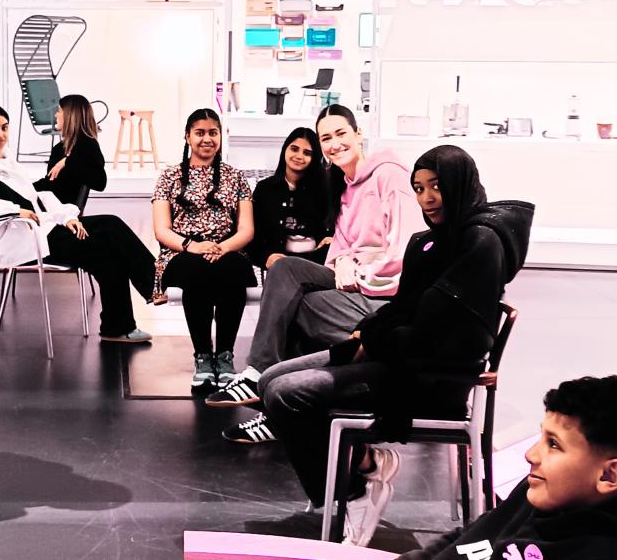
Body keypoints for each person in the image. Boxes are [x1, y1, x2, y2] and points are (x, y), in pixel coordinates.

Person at [260, 145, 532, 547]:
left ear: (459, 184)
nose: (427, 198)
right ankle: (368, 464)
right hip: (399, 357)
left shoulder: (481, 242)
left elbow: (440, 333)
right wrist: (365, 334)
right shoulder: (431, 241)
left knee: (287, 393)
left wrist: (372, 339)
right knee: (269, 380)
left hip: (428, 379)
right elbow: (405, 308)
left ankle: (357, 490)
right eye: (418, 189)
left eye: (436, 186)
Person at [207, 105, 422, 446]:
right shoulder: (344, 185)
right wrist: (343, 262)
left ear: (358, 134)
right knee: (284, 270)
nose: (334, 144)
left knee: (294, 302)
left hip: (383, 295)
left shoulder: (389, 176)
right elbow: (341, 246)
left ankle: (272, 401)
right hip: (352, 281)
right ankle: (268, 388)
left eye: (341, 134)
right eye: (326, 138)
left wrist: (358, 271)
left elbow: (405, 254)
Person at [396, 375, 617, 560]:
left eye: (553, 444)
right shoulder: (545, 490)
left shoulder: (602, 551)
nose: (531, 455)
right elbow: (471, 540)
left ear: (608, 475)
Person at [0, 103, 155, 342]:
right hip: (22, 240)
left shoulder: (8, 160)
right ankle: (155, 285)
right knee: (110, 227)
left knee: (108, 252)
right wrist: (16, 211)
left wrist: (67, 216)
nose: (0, 134)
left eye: (4, 128)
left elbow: (39, 196)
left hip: (44, 229)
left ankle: (116, 328)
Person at [151, 108, 255, 392]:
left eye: (213, 133)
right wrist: (194, 247)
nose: (207, 139)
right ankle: (203, 356)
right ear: (187, 137)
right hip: (182, 250)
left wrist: (221, 247)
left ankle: (225, 355)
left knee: (233, 268)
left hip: (226, 247)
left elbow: (246, 229)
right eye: (200, 133)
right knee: (195, 270)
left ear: (221, 136)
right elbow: (162, 230)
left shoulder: (235, 177)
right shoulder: (170, 176)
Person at [245, 128, 335, 272]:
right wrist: (266, 257)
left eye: (307, 153)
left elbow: (335, 227)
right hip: (279, 264)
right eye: (294, 149)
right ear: (285, 149)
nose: (299, 156)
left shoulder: (324, 190)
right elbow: (252, 237)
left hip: (316, 263)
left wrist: (331, 239)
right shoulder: (265, 189)